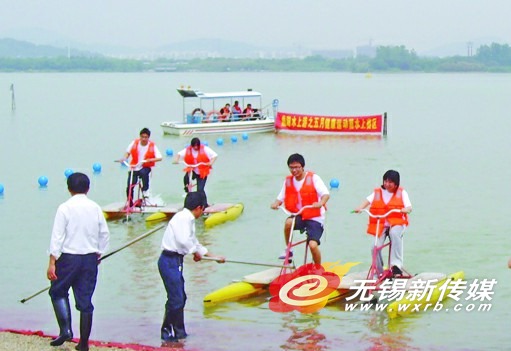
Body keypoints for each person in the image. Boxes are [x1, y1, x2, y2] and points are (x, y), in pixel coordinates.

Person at [47, 172, 110, 351]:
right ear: (88, 188)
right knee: (85, 301)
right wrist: (99, 253)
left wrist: (52, 261)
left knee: (57, 291)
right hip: (89, 258)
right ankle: (83, 343)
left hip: (68, 258)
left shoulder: (65, 208)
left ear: (69, 188)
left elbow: (57, 237)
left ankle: (66, 330)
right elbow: (104, 234)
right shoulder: (95, 207)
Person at [158, 192, 225, 342]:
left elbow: (193, 242)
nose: (203, 213)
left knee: (181, 297)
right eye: (203, 210)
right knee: (176, 299)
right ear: (199, 208)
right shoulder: (184, 218)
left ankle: (180, 332)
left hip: (176, 261)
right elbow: (184, 241)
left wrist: (213, 257)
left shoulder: (187, 219)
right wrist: (195, 252)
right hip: (168, 261)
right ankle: (166, 333)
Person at [270, 153, 330, 265]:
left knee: (312, 245)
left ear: (302, 167)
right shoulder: (288, 181)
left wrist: (321, 203)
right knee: (288, 223)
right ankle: (289, 249)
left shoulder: (314, 178)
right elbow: (280, 198)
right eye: (291, 168)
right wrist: (275, 204)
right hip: (300, 216)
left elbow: (326, 194)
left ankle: (318, 268)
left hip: (315, 217)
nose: (294, 170)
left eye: (297, 167)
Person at [354, 170, 412, 277]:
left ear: (396, 183)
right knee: (374, 246)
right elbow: (367, 201)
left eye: (390, 182)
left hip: (396, 223)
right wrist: (360, 208)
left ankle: (396, 266)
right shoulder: (378, 192)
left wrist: (406, 209)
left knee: (394, 234)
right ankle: (379, 271)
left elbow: (409, 207)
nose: (387, 184)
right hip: (381, 224)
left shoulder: (402, 192)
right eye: (385, 181)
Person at [120, 128, 162, 205]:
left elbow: (160, 158)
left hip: (145, 166)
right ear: (140, 136)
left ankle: (145, 190)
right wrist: (124, 158)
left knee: (143, 173)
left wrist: (150, 160)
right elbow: (127, 153)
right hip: (134, 167)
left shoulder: (152, 145)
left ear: (148, 137)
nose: (143, 139)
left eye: (145, 137)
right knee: (130, 185)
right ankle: (130, 202)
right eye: (142, 137)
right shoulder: (134, 143)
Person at [173, 137, 217, 207]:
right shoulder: (188, 149)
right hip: (192, 170)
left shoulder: (205, 149)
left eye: (197, 145)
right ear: (192, 145)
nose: (196, 147)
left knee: (200, 189)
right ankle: (188, 197)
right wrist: (176, 160)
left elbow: (214, 155)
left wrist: (211, 162)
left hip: (202, 172)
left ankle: (204, 204)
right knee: (186, 180)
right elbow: (179, 154)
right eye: (194, 146)